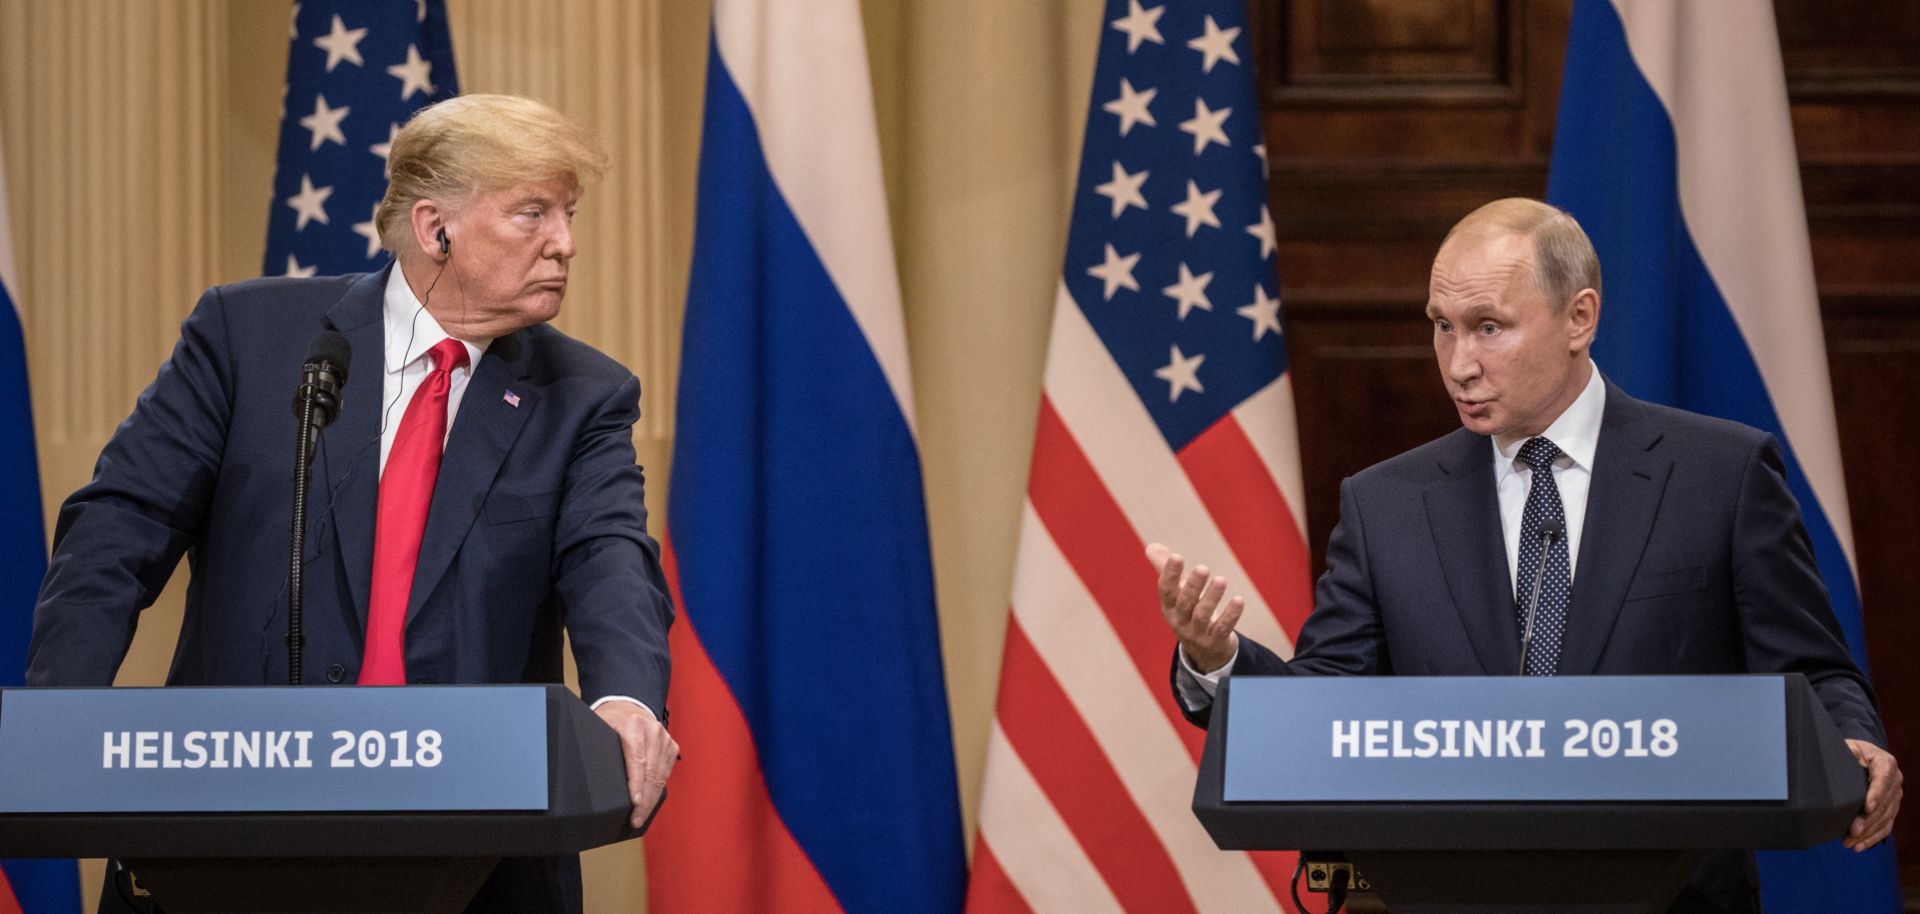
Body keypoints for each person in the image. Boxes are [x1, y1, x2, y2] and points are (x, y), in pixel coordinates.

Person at [1153, 198, 1901, 913]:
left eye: (1488, 327)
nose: (1458, 364)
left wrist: (1852, 739)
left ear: (1580, 317)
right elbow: (1325, 708)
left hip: (1679, 896)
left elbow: (1811, 668)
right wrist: (1216, 658)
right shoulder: (1386, 505)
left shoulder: (1720, 475)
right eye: (1442, 327)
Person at [25, 94, 676, 914]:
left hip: (470, 863)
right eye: (533, 214)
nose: (566, 244)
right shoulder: (249, 337)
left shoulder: (584, 396)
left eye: (570, 214)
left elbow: (610, 559)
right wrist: (58, 724)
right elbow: (117, 532)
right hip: (228, 845)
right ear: (436, 227)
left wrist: (625, 699)